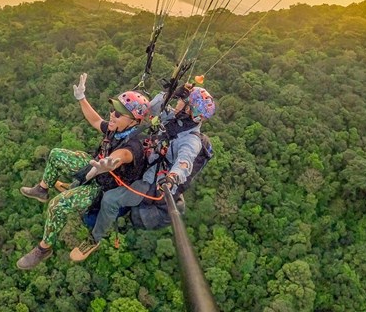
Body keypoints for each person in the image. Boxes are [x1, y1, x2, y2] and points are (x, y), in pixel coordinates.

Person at [16, 73, 150, 270]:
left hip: (101, 186)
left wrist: (110, 164)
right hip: (94, 166)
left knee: (57, 206)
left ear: (134, 121)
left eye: (119, 114)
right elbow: (96, 121)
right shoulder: (116, 128)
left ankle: (44, 248)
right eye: (113, 110)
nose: (112, 115)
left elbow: (123, 155)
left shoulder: (134, 144)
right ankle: (41, 189)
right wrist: (82, 99)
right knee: (55, 154)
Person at [69, 84, 216, 262]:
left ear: (188, 111)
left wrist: (173, 177)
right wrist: (170, 93)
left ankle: (95, 238)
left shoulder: (190, 140)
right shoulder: (173, 119)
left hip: (150, 180)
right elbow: (151, 108)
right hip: (143, 160)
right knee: (101, 165)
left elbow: (185, 161)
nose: (177, 104)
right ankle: (75, 188)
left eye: (181, 102)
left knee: (110, 199)